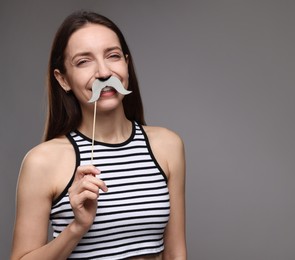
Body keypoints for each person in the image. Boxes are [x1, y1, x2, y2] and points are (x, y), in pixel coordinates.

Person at [11, 11, 186, 260]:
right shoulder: (42, 162)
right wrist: (77, 227)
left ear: (126, 63)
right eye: (84, 61)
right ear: (63, 80)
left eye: (113, 56)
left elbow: (176, 253)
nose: (104, 73)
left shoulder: (167, 146)